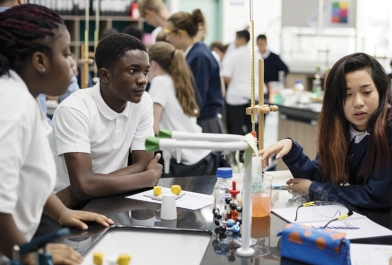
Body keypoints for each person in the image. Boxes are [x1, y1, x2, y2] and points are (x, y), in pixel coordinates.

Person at [0, 4, 113, 264]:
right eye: (65, 53)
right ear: (40, 61)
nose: (73, 62)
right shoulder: (12, 106)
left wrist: (62, 212)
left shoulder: (23, 98)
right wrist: (28, 254)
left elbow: (27, 177)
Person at [259, 53, 392, 210]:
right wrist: (292, 152)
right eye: (347, 95)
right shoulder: (340, 129)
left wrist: (313, 189)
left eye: (366, 92)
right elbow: (321, 178)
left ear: (381, 91)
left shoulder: (388, 130)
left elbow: (377, 197)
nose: (358, 102)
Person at [50, 33, 163, 208]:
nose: (142, 80)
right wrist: (148, 178)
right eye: (133, 70)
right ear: (105, 76)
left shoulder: (144, 102)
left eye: (146, 71)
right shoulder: (74, 109)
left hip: (109, 198)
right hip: (63, 208)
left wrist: (91, 184)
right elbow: (84, 187)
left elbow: (143, 163)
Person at [148, 42, 219, 177]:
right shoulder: (176, 80)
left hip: (186, 159)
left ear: (153, 64)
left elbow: (152, 128)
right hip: (202, 156)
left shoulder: (160, 82)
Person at [166, 9, 224, 134]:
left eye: (169, 33)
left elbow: (197, 98)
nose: (167, 38)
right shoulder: (193, 53)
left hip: (205, 124)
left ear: (180, 34)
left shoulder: (199, 57)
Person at [221, 30, 257, 135]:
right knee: (253, 129)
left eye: (236, 39)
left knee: (236, 128)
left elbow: (227, 77)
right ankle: (254, 151)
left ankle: (238, 151)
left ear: (241, 40)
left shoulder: (233, 55)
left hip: (235, 97)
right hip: (253, 96)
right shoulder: (256, 54)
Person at [256, 34, 289, 101]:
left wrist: (274, 83)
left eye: (262, 44)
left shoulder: (274, 57)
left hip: (272, 89)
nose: (261, 46)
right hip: (259, 88)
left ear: (266, 43)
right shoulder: (255, 57)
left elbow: (285, 69)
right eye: (259, 44)